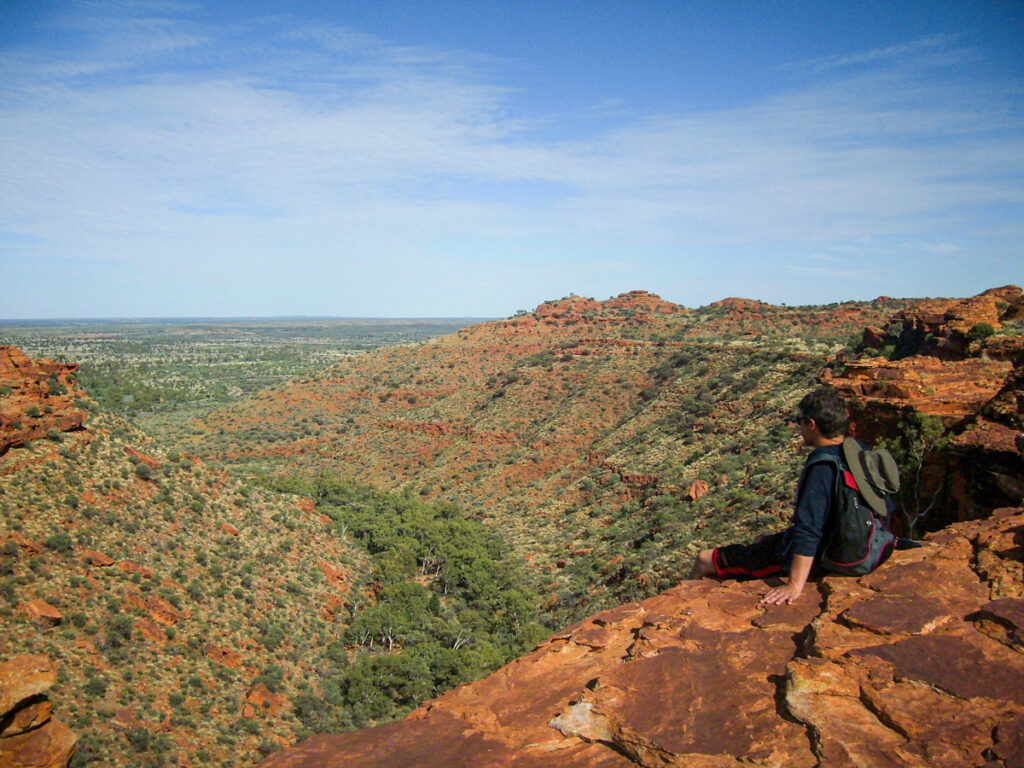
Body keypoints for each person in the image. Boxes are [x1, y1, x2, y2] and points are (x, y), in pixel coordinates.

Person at [688, 385, 851, 606]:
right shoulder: (858, 454)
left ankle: (681, 610)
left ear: (812, 424)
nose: (798, 427)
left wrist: (794, 584)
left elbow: (809, 531)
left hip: (823, 552)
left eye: (799, 420)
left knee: (704, 559)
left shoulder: (822, 467)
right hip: (851, 542)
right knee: (762, 540)